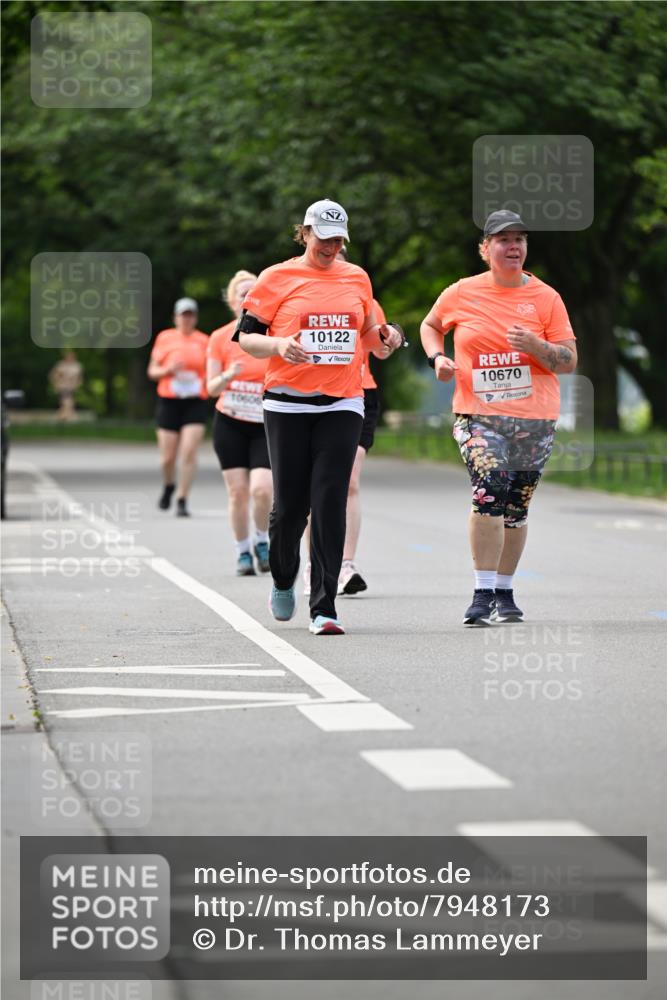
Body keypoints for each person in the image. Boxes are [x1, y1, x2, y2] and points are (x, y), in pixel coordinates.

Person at [235, 198, 404, 635]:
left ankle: (324, 605)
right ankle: (282, 576)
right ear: (305, 232)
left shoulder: (356, 277)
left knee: (330, 499)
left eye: (337, 240)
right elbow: (247, 339)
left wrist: (389, 339)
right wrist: (276, 346)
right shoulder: (277, 277)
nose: (330, 247)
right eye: (323, 238)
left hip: (343, 401)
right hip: (287, 402)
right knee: (290, 508)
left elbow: (369, 335)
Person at [420, 209, 577, 626]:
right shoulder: (461, 292)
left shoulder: (546, 297)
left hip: (535, 418)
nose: (514, 247)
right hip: (478, 415)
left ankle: (504, 591)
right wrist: (438, 356)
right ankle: (481, 592)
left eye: (520, 239)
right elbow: (431, 325)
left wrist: (535, 346)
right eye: (504, 240)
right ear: (485, 248)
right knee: (489, 490)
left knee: (517, 507)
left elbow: (567, 361)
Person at [302, 246, 397, 597]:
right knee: (319, 485)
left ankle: (345, 564)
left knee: (349, 482)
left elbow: (381, 346)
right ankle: (315, 562)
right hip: (315, 393)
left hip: (359, 394)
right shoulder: (303, 292)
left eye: (343, 257)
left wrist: (391, 340)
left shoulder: (363, 293)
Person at [207, 271, 272, 576]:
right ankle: (242, 551)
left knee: (261, 490)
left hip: (264, 424)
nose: (247, 298)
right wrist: (228, 375)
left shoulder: (269, 334)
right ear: (232, 301)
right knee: (238, 493)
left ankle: (262, 540)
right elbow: (210, 389)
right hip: (229, 423)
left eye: (252, 292)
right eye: (241, 293)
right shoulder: (219, 338)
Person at [147, 297, 209, 517]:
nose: (187, 319)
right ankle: (168, 485)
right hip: (169, 401)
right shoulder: (165, 338)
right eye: (183, 315)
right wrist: (167, 370)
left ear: (195, 318)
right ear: (175, 317)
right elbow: (152, 372)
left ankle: (182, 498)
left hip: (195, 401)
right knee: (167, 457)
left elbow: (212, 370)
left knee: (189, 452)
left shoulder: (204, 341)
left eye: (190, 315)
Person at [49, 350, 83, 421]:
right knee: (66, 400)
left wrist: (77, 384)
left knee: (67, 400)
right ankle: (67, 416)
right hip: (63, 386)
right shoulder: (61, 365)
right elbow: (54, 375)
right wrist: (57, 383)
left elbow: (79, 377)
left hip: (72, 387)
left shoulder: (77, 365)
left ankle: (64, 416)